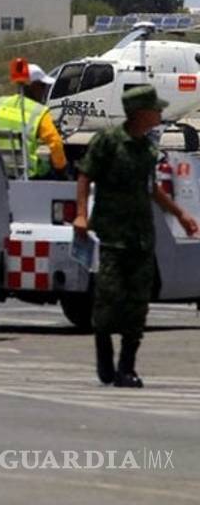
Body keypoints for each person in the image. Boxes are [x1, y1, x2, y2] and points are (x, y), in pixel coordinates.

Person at [73, 85, 199, 387]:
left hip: (142, 238)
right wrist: (81, 213)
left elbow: (151, 188)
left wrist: (180, 214)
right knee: (107, 301)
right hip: (114, 237)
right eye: (155, 109)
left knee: (138, 307)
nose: (159, 114)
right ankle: (105, 357)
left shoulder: (147, 149)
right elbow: (85, 174)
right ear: (140, 112)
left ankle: (126, 368)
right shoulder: (108, 143)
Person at [0, 63, 66, 178]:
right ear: (34, 86)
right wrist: (61, 168)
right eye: (43, 86)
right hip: (28, 172)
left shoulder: (1, 103)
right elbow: (55, 143)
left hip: (0, 168)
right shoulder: (39, 111)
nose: (44, 90)